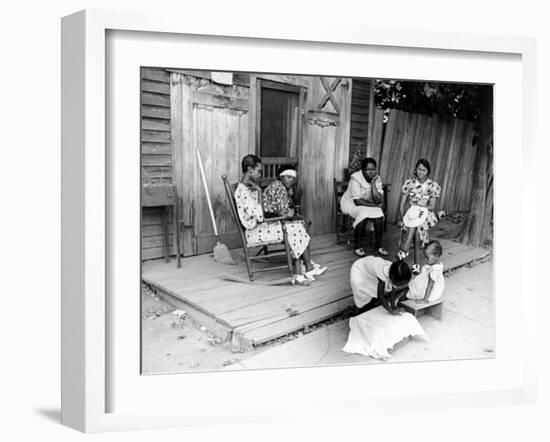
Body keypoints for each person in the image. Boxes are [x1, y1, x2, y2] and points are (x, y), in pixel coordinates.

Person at [234, 155, 325, 285]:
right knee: (296, 227)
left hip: (261, 226)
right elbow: (260, 216)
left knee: (298, 226)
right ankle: (301, 271)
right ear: (249, 169)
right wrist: (259, 191)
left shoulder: (248, 188)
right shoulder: (242, 191)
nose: (260, 175)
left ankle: (302, 270)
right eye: (258, 171)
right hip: (254, 231)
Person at [340, 157, 388, 257]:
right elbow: (357, 201)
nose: (371, 172)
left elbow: (378, 200)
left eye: (373, 169)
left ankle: (379, 246)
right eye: (368, 170)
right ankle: (357, 247)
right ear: (362, 170)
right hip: (350, 203)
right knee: (364, 213)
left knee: (379, 213)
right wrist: (376, 205)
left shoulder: (377, 179)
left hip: (367, 204)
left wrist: (373, 184)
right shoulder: (355, 178)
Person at [397, 158, 442, 262]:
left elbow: (431, 207)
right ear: (415, 170)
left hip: (426, 214)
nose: (421, 172)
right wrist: (402, 218)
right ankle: (416, 264)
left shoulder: (432, 186)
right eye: (419, 169)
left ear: (427, 172)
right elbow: (402, 204)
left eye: (424, 170)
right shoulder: (409, 183)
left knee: (416, 224)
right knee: (416, 226)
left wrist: (417, 205)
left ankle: (405, 249)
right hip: (411, 214)